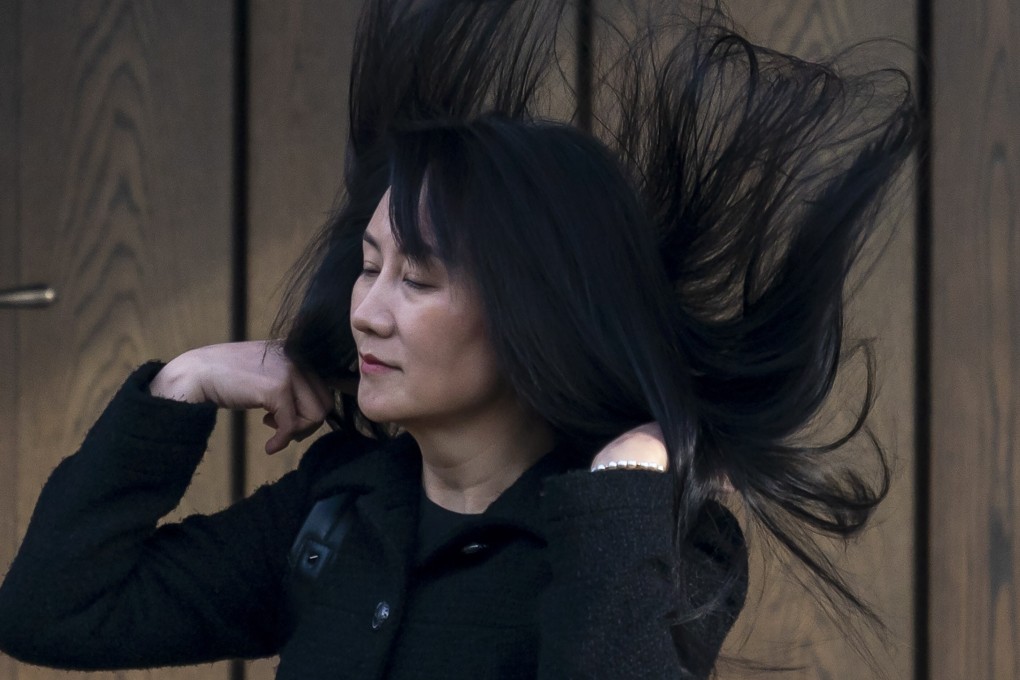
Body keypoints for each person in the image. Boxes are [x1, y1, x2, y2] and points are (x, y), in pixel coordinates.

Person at [0, 0, 917, 678]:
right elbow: (55, 612)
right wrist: (182, 386)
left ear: (538, 310)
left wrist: (630, 487)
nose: (366, 309)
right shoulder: (338, 507)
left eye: (420, 277)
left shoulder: (650, 542)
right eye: (368, 264)